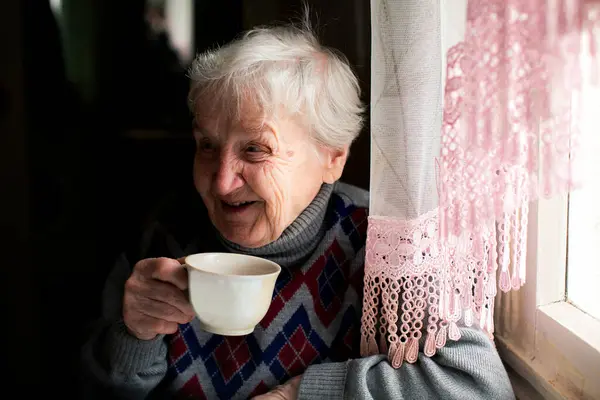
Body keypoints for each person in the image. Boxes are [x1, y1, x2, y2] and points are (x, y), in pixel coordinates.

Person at [80, 18, 515, 400]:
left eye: (255, 149)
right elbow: (94, 389)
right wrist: (133, 335)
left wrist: (303, 393)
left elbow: (477, 387)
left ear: (332, 157)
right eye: (207, 146)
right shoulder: (164, 235)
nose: (220, 180)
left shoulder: (388, 246)